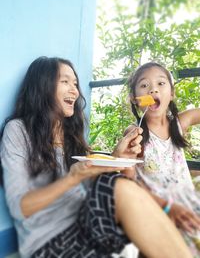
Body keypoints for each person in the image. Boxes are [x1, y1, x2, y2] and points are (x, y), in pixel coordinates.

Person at [0, 57, 193, 258]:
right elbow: (20, 208)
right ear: (42, 86)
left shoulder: (70, 134)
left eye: (75, 83)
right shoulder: (18, 130)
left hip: (88, 223)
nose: (75, 90)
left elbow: (92, 178)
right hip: (50, 242)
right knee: (118, 187)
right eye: (65, 82)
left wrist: (117, 156)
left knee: (117, 184)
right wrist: (72, 178)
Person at [125, 61, 200, 257]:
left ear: (172, 93)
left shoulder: (178, 125)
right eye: (144, 85)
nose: (152, 89)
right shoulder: (135, 134)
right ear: (135, 99)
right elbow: (129, 183)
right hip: (155, 215)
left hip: (187, 214)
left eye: (160, 84)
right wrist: (167, 207)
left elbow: (195, 115)